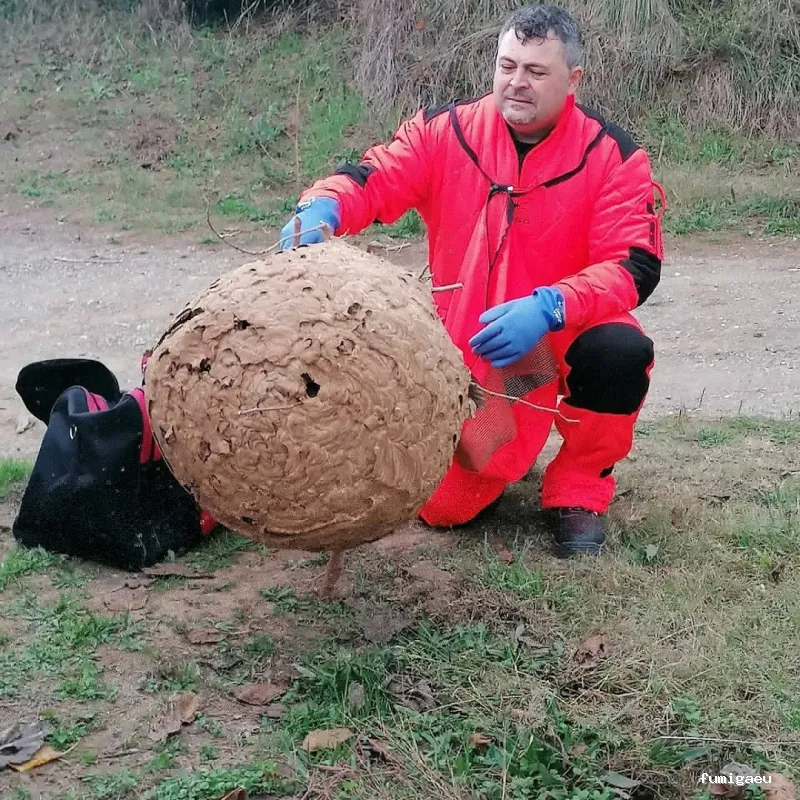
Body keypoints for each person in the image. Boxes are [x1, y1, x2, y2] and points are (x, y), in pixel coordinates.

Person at [279, 3, 665, 557]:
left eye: (536, 71)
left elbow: (634, 266)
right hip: (478, 354)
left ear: (572, 79)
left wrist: (550, 306)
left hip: (557, 329)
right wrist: (323, 206)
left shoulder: (614, 157)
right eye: (507, 66)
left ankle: (579, 491)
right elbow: (376, 177)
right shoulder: (447, 131)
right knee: (446, 508)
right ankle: (490, 457)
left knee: (620, 349)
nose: (517, 83)